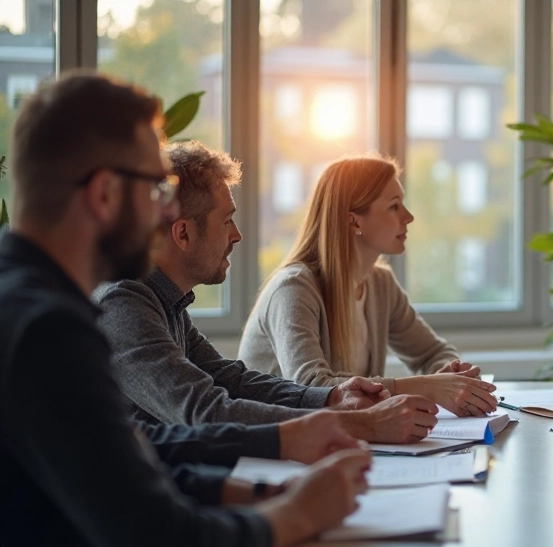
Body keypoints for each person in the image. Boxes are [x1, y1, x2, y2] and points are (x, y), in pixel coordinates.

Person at [0, 71, 370, 547]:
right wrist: (302, 512)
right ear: (105, 194)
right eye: (158, 188)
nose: (167, 211)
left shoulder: (29, 300)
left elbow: (133, 452)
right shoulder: (48, 331)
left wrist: (269, 482)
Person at [96, 140, 438, 443]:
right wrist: (362, 425)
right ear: (183, 234)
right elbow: (208, 412)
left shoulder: (166, 303)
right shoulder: (124, 306)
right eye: (227, 220)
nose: (237, 235)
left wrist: (332, 397)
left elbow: (230, 379)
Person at [239, 153, 498, 417]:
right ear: (355, 221)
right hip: (277, 446)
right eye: (394, 206)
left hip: (338, 439)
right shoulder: (293, 289)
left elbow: (432, 352)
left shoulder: (380, 283)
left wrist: (447, 374)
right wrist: (428, 387)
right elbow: (311, 388)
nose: (408, 217)